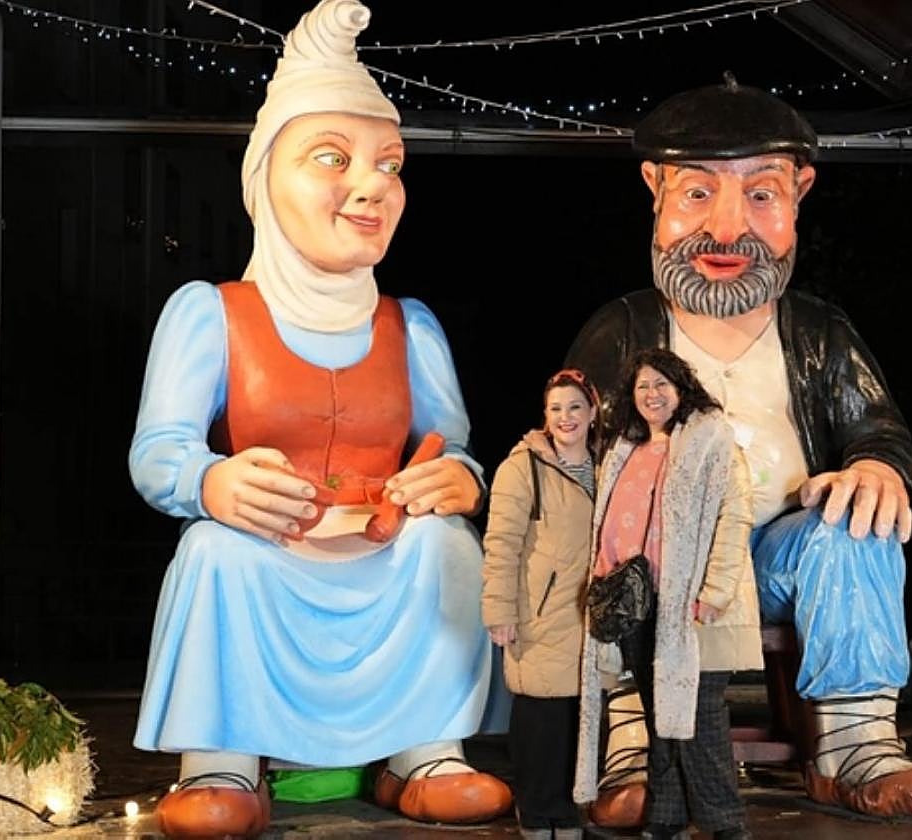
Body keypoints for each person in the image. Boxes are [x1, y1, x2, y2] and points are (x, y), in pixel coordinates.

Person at [127, 2, 509, 836]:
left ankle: (427, 751)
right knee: (213, 552)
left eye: (389, 164)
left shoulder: (411, 326)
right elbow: (159, 453)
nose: (372, 185)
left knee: (446, 546)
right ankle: (222, 761)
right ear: (266, 178)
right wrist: (210, 481)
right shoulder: (210, 313)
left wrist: (457, 478)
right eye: (332, 158)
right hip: (269, 550)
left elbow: (456, 447)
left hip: (380, 546)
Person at [565, 74, 912, 820]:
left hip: (781, 556)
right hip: (663, 562)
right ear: (654, 189)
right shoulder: (622, 330)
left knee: (856, 530)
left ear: (799, 193)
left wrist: (874, 468)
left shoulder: (818, 333)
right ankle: (632, 746)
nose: (726, 229)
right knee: (615, 552)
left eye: (760, 195)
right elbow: (573, 452)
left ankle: (857, 747)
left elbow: (878, 429)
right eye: (697, 194)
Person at [575, 348, 759, 840]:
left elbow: (735, 516)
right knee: (660, 711)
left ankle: (725, 823)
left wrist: (715, 590)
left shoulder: (713, 439)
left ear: (682, 389)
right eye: (643, 386)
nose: (652, 395)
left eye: (662, 384)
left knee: (699, 713)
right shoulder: (626, 448)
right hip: (640, 602)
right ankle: (667, 815)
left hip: (694, 603)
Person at [481, 368, 601, 840]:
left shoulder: (606, 464)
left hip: (589, 613)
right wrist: (499, 612)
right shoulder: (522, 467)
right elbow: (501, 543)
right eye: (555, 409)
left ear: (592, 412)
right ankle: (536, 811)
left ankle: (567, 811)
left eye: (574, 407)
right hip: (539, 610)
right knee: (539, 716)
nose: (565, 417)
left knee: (578, 716)